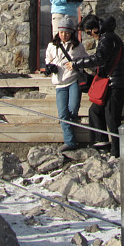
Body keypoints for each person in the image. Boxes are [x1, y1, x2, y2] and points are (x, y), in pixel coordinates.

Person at [65, 14, 124, 158]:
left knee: (112, 118)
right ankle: (102, 143)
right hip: (113, 82)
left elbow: (99, 58)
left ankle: (116, 152)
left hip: (115, 84)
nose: (89, 36)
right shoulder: (109, 37)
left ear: (94, 29)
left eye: (88, 32)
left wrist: (77, 63)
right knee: (95, 110)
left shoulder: (107, 38)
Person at [43, 17, 88, 152]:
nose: (64, 35)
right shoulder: (52, 45)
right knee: (63, 113)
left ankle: (70, 125)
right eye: (62, 32)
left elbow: (85, 59)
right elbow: (47, 59)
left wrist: (77, 65)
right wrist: (49, 67)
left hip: (73, 79)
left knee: (73, 108)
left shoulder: (77, 46)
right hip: (59, 83)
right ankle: (70, 141)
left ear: (71, 33)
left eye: (67, 33)